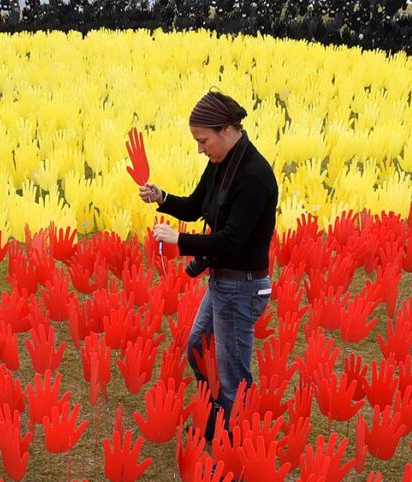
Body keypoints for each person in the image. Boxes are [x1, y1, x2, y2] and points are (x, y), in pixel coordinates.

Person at [139, 90, 278, 438]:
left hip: (241, 287)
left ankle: (234, 442)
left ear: (227, 129)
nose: (200, 148)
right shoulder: (221, 163)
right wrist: (162, 198)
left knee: (233, 375)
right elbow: (195, 206)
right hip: (223, 282)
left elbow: (231, 239)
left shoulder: (254, 176)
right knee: (199, 347)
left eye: (203, 140)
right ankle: (218, 415)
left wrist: (179, 241)